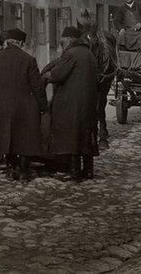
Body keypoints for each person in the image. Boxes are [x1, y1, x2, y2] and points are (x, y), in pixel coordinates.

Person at [0, 28, 48, 182]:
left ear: (8, 42)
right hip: (25, 107)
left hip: (3, 107)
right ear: (20, 43)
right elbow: (38, 87)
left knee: (7, 137)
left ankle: (11, 169)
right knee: (25, 138)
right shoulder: (29, 60)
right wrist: (42, 106)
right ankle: (24, 171)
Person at [43, 26, 99, 181]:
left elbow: (58, 75)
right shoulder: (89, 54)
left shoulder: (70, 54)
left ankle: (73, 171)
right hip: (87, 103)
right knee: (85, 135)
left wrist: (48, 74)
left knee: (71, 135)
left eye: (63, 41)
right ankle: (88, 170)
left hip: (70, 103)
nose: (62, 44)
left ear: (69, 40)